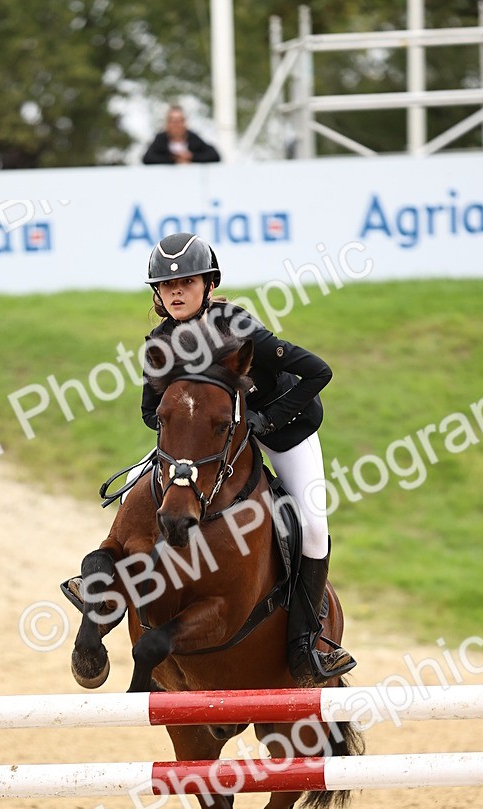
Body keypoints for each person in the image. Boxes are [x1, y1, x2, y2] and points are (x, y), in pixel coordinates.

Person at [141, 231, 356, 683]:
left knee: (313, 528)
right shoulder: (160, 343)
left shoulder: (237, 326)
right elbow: (148, 414)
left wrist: (262, 423)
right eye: (166, 286)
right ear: (158, 295)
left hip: (284, 430)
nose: (176, 291)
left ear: (210, 286)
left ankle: (306, 643)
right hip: (214, 442)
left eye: (187, 283)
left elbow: (318, 371)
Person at [142, 106, 221, 165]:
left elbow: (214, 156)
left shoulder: (193, 138)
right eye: (173, 121)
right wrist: (174, 159)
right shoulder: (161, 139)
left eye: (179, 121)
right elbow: (147, 158)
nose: (176, 125)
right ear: (167, 123)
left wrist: (191, 157)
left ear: (184, 123)